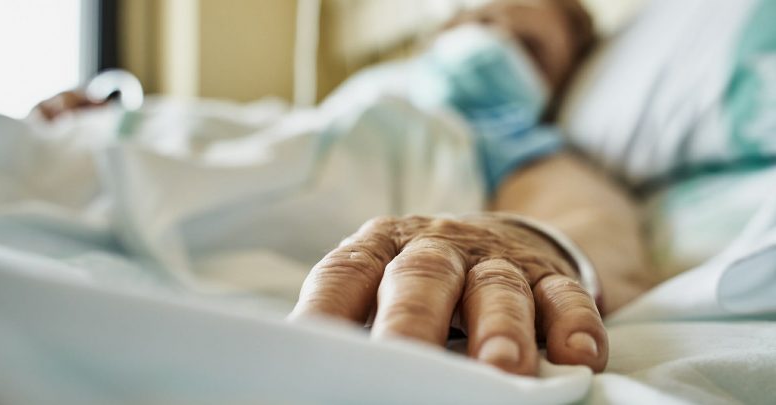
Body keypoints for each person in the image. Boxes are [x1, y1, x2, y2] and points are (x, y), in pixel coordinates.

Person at [32, 0, 653, 376]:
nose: (488, 41)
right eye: (481, 18)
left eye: (528, 48)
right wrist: (117, 121)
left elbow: (588, 220)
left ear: (557, 90)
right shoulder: (348, 105)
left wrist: (521, 242)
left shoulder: (506, 138)